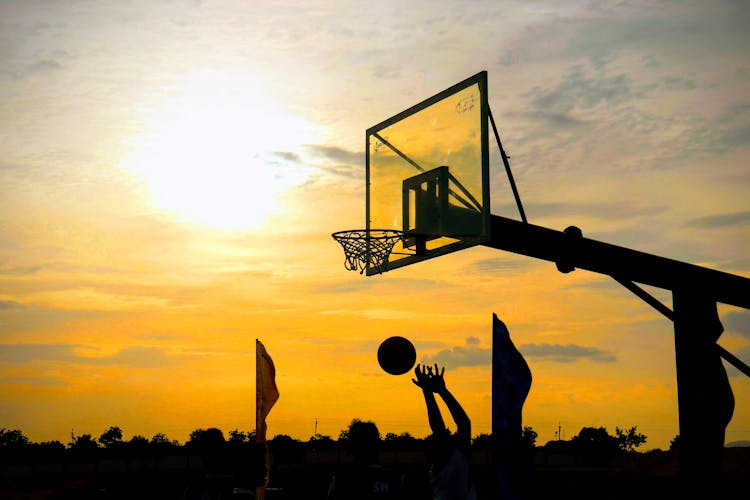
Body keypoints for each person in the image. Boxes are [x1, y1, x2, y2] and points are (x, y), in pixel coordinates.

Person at [413, 364, 477, 500]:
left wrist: (429, 391)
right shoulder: (455, 462)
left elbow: (441, 428)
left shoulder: (442, 469)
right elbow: (462, 423)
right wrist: (441, 391)